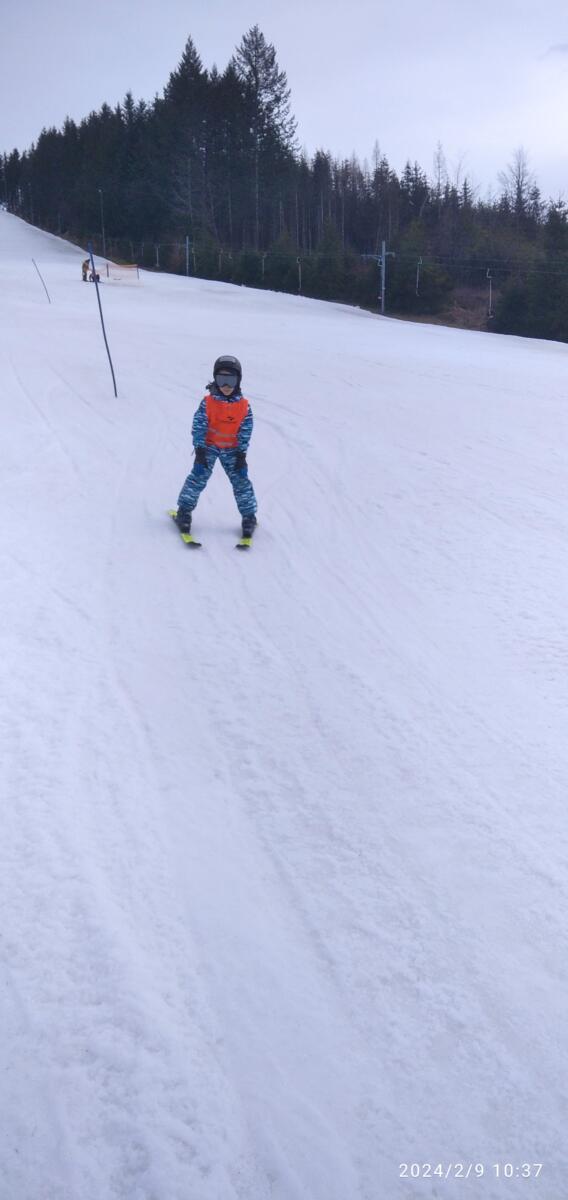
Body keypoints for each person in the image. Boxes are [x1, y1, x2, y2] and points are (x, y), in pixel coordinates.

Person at [175, 355, 257, 538]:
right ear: (215, 379)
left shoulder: (244, 406)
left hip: (232, 449)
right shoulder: (208, 402)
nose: (226, 386)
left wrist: (242, 455)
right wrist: (200, 450)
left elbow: (246, 430)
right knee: (198, 477)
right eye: (221, 380)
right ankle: (184, 512)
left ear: (238, 381)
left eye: (231, 380)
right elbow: (199, 425)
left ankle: (249, 516)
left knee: (241, 480)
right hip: (209, 447)